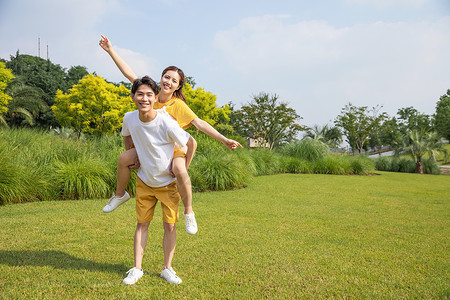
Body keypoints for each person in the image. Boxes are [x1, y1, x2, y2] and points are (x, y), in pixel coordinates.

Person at [99, 35, 242, 235]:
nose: (169, 81)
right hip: (149, 148)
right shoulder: (151, 94)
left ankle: (189, 212)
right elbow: (129, 73)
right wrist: (110, 50)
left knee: (180, 170)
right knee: (124, 158)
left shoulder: (178, 105)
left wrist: (225, 140)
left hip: (173, 150)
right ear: (161, 78)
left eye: (174, 80)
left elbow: (199, 124)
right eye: (167, 77)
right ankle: (119, 195)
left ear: (178, 86)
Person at [121, 75, 196, 285]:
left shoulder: (166, 121)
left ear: (156, 98)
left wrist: (182, 168)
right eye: (140, 94)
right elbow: (127, 136)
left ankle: (167, 268)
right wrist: (132, 155)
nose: (144, 98)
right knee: (141, 224)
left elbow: (190, 142)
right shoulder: (130, 118)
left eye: (148, 95)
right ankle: (137, 269)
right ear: (134, 97)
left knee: (170, 226)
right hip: (145, 181)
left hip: (167, 184)